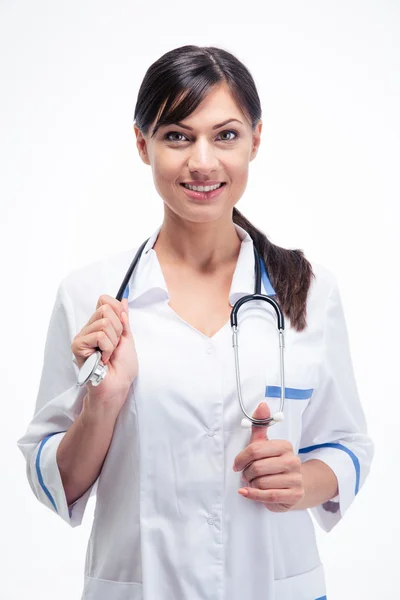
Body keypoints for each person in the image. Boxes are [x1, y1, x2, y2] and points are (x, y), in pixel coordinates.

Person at [17, 45, 374, 600]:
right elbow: (58, 486)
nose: (203, 162)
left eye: (226, 135)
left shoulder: (308, 290)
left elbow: (347, 443)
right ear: (143, 145)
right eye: (177, 136)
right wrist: (104, 403)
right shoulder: (92, 297)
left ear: (257, 138)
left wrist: (303, 483)